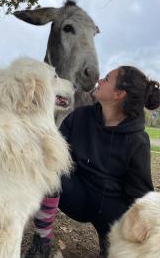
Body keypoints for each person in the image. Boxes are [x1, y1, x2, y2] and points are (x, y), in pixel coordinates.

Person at [23, 66, 160, 258]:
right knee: (50, 167)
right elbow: (54, 153)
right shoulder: (80, 116)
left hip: (112, 212)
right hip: (75, 194)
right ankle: (42, 240)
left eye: (106, 78)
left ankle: (109, 246)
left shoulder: (138, 141)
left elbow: (139, 195)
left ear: (119, 94)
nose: (99, 81)